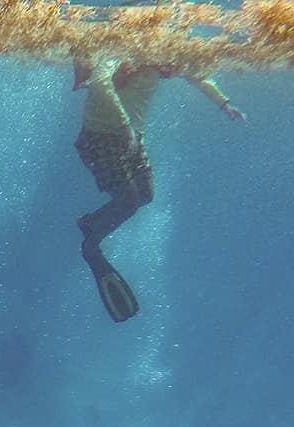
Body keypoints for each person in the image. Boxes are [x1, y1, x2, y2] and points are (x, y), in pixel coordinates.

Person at [73, 58, 245, 322]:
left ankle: (92, 222)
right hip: (102, 135)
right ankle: (90, 245)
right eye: (170, 66)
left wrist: (224, 103)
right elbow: (99, 81)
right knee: (129, 202)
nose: (173, 71)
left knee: (145, 195)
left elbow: (195, 71)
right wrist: (124, 126)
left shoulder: (166, 53)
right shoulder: (129, 51)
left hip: (131, 136)